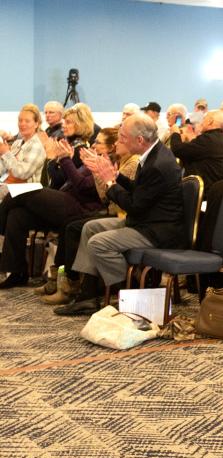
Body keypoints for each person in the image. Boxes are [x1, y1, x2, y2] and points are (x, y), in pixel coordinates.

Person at [54, 113, 184, 315]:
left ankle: (128, 293)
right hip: (146, 221)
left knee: (99, 242)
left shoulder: (158, 164)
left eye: (123, 137)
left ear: (139, 140)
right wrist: (116, 176)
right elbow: (139, 192)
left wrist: (109, 182)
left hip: (156, 231)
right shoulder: (152, 154)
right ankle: (87, 296)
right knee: (90, 228)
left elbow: (134, 206)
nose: (119, 141)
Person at [42, 127, 140, 305]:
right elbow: (105, 194)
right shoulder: (119, 161)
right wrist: (97, 171)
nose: (94, 145)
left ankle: (74, 286)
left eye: (99, 142)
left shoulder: (133, 163)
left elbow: (104, 195)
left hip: (119, 215)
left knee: (75, 227)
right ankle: (63, 281)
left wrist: (70, 161)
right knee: (68, 224)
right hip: (111, 211)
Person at [0, 130, 104, 289]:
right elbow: (61, 179)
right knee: (17, 215)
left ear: (110, 147)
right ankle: (17, 272)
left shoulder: (105, 164)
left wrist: (66, 160)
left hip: (81, 209)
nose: (94, 144)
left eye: (99, 142)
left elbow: (83, 186)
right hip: (63, 199)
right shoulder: (89, 159)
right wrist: (57, 160)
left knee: (18, 194)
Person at [168, 110, 223, 188]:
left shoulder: (208, 139)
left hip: (202, 191)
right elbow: (196, 151)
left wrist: (175, 133)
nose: (202, 122)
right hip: (211, 187)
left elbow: (177, 150)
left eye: (204, 119)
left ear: (210, 121)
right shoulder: (220, 137)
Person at [0, 104, 46, 184]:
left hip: (25, 192)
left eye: (27, 121)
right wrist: (2, 156)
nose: (22, 124)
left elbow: (22, 174)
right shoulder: (17, 143)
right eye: (20, 120)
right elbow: (4, 169)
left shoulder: (36, 147)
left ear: (36, 124)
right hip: (7, 185)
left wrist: (6, 153)